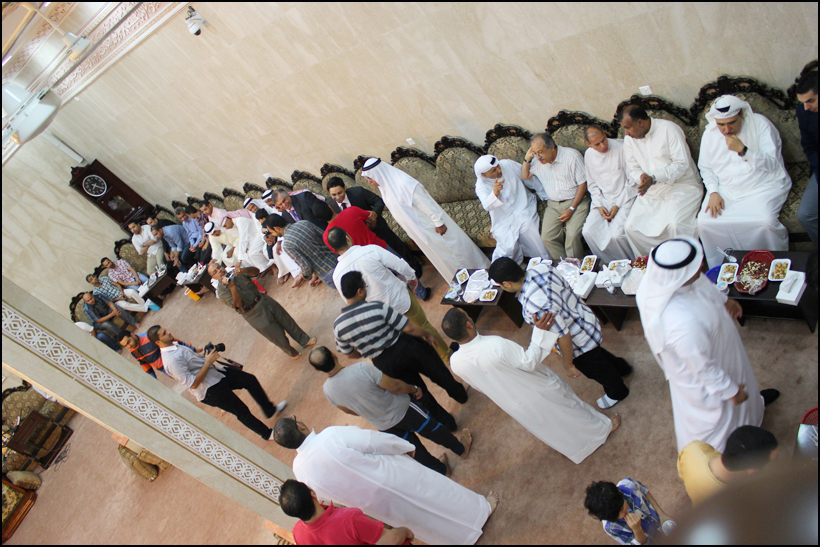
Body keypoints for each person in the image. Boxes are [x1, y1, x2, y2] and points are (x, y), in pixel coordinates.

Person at [635, 236, 779, 453]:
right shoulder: (679, 323)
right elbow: (703, 367)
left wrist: (724, 300)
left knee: (744, 380)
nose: (701, 265)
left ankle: (755, 410)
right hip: (709, 379)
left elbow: (701, 282)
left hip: (721, 347)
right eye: (696, 265)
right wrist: (730, 391)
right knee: (724, 420)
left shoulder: (676, 279)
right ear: (680, 276)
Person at [272, 418, 498, 545]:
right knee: (439, 493)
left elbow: (324, 497)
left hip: (371, 504)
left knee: (419, 522)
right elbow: (373, 441)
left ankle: (458, 540)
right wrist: (406, 447)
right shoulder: (330, 435)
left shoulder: (299, 470)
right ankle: (480, 511)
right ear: (300, 426)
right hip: (394, 475)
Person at [442, 307, 619, 464]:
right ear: (469, 325)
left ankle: (575, 449)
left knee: (549, 426)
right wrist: (539, 334)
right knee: (571, 410)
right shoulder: (495, 345)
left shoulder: (455, 362)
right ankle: (601, 430)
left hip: (510, 402)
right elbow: (528, 362)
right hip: (536, 389)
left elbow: (479, 386)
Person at [489, 257, 632, 410]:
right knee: (597, 355)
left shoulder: (536, 305)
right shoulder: (541, 268)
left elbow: (563, 335)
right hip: (584, 319)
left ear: (507, 284)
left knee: (596, 369)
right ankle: (622, 367)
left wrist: (568, 364)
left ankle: (618, 391)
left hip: (578, 341)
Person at [333, 271, 467, 431]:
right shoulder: (376, 307)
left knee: (420, 394)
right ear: (359, 291)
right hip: (406, 346)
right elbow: (408, 327)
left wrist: (367, 350)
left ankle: (449, 424)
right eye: (365, 286)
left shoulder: (338, 326)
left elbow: (349, 354)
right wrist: (427, 334)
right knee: (437, 372)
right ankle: (460, 395)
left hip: (385, 364)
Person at [309, 346, 471, 475]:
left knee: (414, 449)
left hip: (384, 425)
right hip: (404, 410)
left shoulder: (328, 390)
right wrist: (414, 389)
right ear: (333, 355)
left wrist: (367, 409)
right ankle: (461, 450)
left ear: (317, 370)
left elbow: (348, 410)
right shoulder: (361, 369)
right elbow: (394, 386)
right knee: (433, 429)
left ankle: (441, 470)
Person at [328, 227, 451, 363]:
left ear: (334, 249)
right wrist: (411, 278)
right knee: (423, 327)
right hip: (400, 300)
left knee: (403, 338)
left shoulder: (337, 275)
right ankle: (446, 356)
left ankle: (426, 359)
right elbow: (400, 265)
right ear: (347, 237)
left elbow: (350, 300)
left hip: (380, 316)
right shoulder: (370, 250)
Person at [696, 95, 792, 268]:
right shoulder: (710, 134)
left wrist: (744, 151)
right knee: (705, 222)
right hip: (726, 190)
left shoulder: (760, 124)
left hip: (763, 186)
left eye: (731, 122)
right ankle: (727, 268)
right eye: (721, 124)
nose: (726, 129)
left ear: (741, 114)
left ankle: (774, 265)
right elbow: (705, 167)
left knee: (764, 222)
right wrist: (713, 191)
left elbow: (773, 165)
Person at [360, 157, 490, 282]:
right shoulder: (385, 188)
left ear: (378, 174)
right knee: (445, 258)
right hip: (421, 232)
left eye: (370, 178)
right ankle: (465, 283)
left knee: (455, 253)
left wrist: (438, 222)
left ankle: (482, 275)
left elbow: (426, 203)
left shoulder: (403, 183)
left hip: (433, 226)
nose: (370, 182)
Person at [148, 325, 287, 440]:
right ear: (158, 342)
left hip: (216, 374)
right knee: (242, 411)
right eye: (164, 333)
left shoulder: (175, 345)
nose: (168, 332)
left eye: (165, 330)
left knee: (249, 380)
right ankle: (268, 434)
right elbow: (193, 384)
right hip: (210, 391)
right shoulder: (171, 361)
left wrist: (206, 355)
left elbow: (194, 361)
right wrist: (208, 362)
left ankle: (269, 410)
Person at [619, 105, 704, 257]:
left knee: (675, 225)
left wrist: (654, 178)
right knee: (631, 228)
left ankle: (687, 262)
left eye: (628, 127)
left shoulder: (669, 129)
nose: (626, 133)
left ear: (640, 123)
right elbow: (632, 168)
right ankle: (654, 265)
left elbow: (681, 164)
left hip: (681, 185)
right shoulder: (629, 139)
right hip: (651, 190)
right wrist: (642, 178)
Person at [326, 176, 429, 300]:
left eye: (340, 193)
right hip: (363, 244)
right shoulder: (330, 206)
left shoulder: (358, 192)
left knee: (398, 251)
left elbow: (378, 201)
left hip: (379, 230)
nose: (338, 197)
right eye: (333, 195)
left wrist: (374, 213)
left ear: (344, 188)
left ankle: (415, 270)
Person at [207, 262, 316, 359]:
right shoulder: (222, 292)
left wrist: (242, 270)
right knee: (276, 335)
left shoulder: (236, 273)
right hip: (253, 313)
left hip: (263, 299)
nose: (219, 271)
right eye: (215, 272)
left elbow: (256, 272)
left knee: (286, 320)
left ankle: (304, 340)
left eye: (219, 267)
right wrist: (231, 286)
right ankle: (291, 352)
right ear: (214, 277)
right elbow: (238, 305)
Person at [279, 479, 415, 545]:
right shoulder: (348, 519)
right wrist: (404, 531)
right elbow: (392, 540)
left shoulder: (298, 533)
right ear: (312, 495)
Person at [522, 132, 590, 259]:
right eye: (535, 153)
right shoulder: (537, 161)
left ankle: (577, 266)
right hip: (553, 205)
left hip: (576, 201)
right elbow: (525, 176)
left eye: (540, 152)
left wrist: (572, 208)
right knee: (547, 238)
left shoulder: (572, 156)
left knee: (572, 237)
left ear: (552, 147)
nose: (538, 157)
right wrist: (527, 159)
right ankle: (563, 265)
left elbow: (583, 184)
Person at [474, 154, 551, 263]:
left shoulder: (508, 164)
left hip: (523, 206)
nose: (499, 170)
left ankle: (546, 260)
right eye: (494, 170)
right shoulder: (480, 186)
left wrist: (545, 195)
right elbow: (487, 206)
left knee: (529, 230)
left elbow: (528, 178)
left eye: (498, 166)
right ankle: (509, 268)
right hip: (503, 218)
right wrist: (495, 193)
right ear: (484, 175)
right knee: (506, 245)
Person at [677, 425, 779, 506]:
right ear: (752, 470)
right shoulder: (742, 499)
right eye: (774, 460)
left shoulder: (694, 449)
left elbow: (681, 472)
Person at [581, 126, 638, 262]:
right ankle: (608, 264)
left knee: (617, 235)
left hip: (625, 198)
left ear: (605, 135)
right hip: (602, 201)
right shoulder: (589, 154)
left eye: (604, 140)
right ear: (589, 144)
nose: (603, 146)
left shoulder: (621, 148)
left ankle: (631, 262)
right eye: (597, 144)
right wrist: (599, 205)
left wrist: (617, 205)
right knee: (588, 231)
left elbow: (632, 182)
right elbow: (592, 184)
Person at [584, 478, 676, 545]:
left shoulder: (629, 485)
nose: (622, 515)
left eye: (621, 509)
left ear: (620, 494)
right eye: (616, 516)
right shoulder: (611, 527)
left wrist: (661, 514)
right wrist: (637, 530)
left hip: (661, 524)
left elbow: (644, 491)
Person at [264, 215, 337, 288]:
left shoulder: (287, 245)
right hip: (337, 258)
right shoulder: (304, 223)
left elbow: (306, 267)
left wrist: (303, 277)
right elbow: (326, 237)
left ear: (276, 228)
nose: (273, 235)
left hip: (327, 272)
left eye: (271, 232)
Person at [795, 68, 818, 247]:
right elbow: (808, 146)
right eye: (803, 102)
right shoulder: (804, 112)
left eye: (810, 100)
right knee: (805, 214)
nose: (806, 107)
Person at [86, 273, 151, 314]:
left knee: (132, 291)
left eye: (93, 276)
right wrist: (118, 299)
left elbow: (117, 284)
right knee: (125, 305)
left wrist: (122, 293)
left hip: (121, 291)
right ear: (90, 283)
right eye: (92, 279)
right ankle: (145, 308)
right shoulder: (96, 292)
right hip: (116, 300)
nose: (94, 278)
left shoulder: (104, 278)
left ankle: (145, 303)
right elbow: (107, 302)